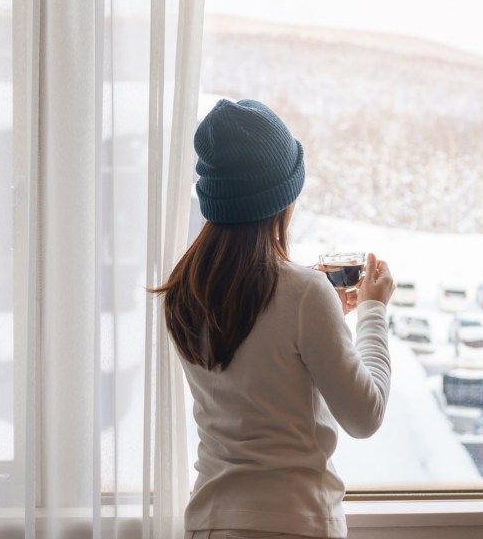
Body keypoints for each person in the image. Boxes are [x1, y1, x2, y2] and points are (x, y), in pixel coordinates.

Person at [154, 98, 394, 539]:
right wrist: (373, 312)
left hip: (209, 522)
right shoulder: (303, 293)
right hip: (293, 524)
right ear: (282, 197)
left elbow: (256, 370)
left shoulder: (183, 291)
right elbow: (366, 416)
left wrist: (323, 321)